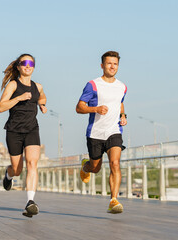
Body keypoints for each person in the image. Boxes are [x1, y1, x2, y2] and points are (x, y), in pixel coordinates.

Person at [76, 51, 127, 214]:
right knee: (95, 167)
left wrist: (123, 115)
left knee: (115, 163)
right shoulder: (93, 85)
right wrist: (95, 109)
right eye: (109, 63)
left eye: (115, 64)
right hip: (95, 133)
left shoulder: (122, 87)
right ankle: (86, 166)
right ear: (102, 65)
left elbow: (120, 103)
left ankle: (113, 200)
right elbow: (79, 107)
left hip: (114, 131)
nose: (112, 66)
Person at [0, 53, 47, 218]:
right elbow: (1, 107)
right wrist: (19, 98)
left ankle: (30, 202)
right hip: (14, 131)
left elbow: (42, 96)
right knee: (18, 170)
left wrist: (42, 104)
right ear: (18, 66)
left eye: (31, 63)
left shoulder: (38, 86)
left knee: (33, 163)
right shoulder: (13, 85)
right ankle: (8, 174)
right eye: (24, 63)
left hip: (32, 129)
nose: (28, 65)